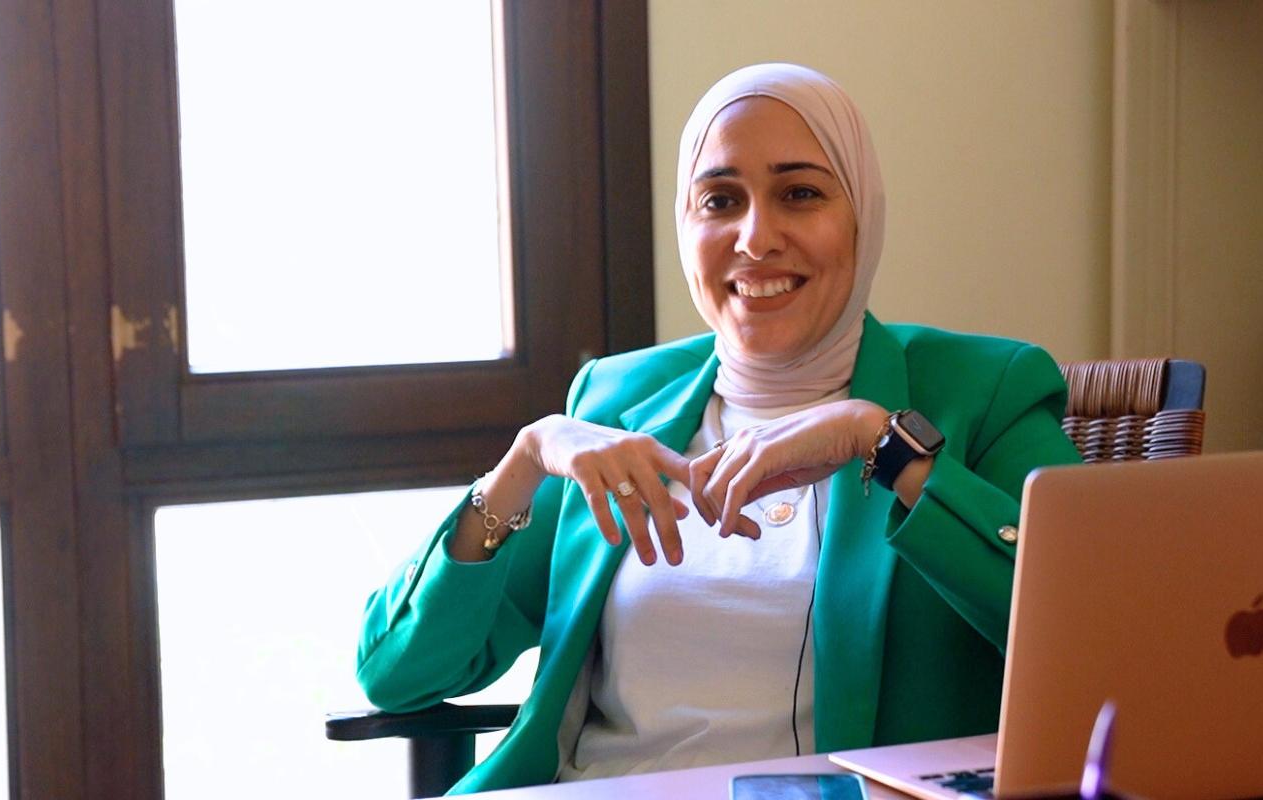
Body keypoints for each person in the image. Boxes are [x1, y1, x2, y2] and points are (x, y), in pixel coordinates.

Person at [356, 62, 1082, 794]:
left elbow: (1099, 640)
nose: (756, 239)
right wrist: (526, 456)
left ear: (862, 212)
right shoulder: (616, 398)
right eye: (720, 200)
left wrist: (881, 442)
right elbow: (397, 673)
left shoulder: (981, 390)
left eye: (800, 194)